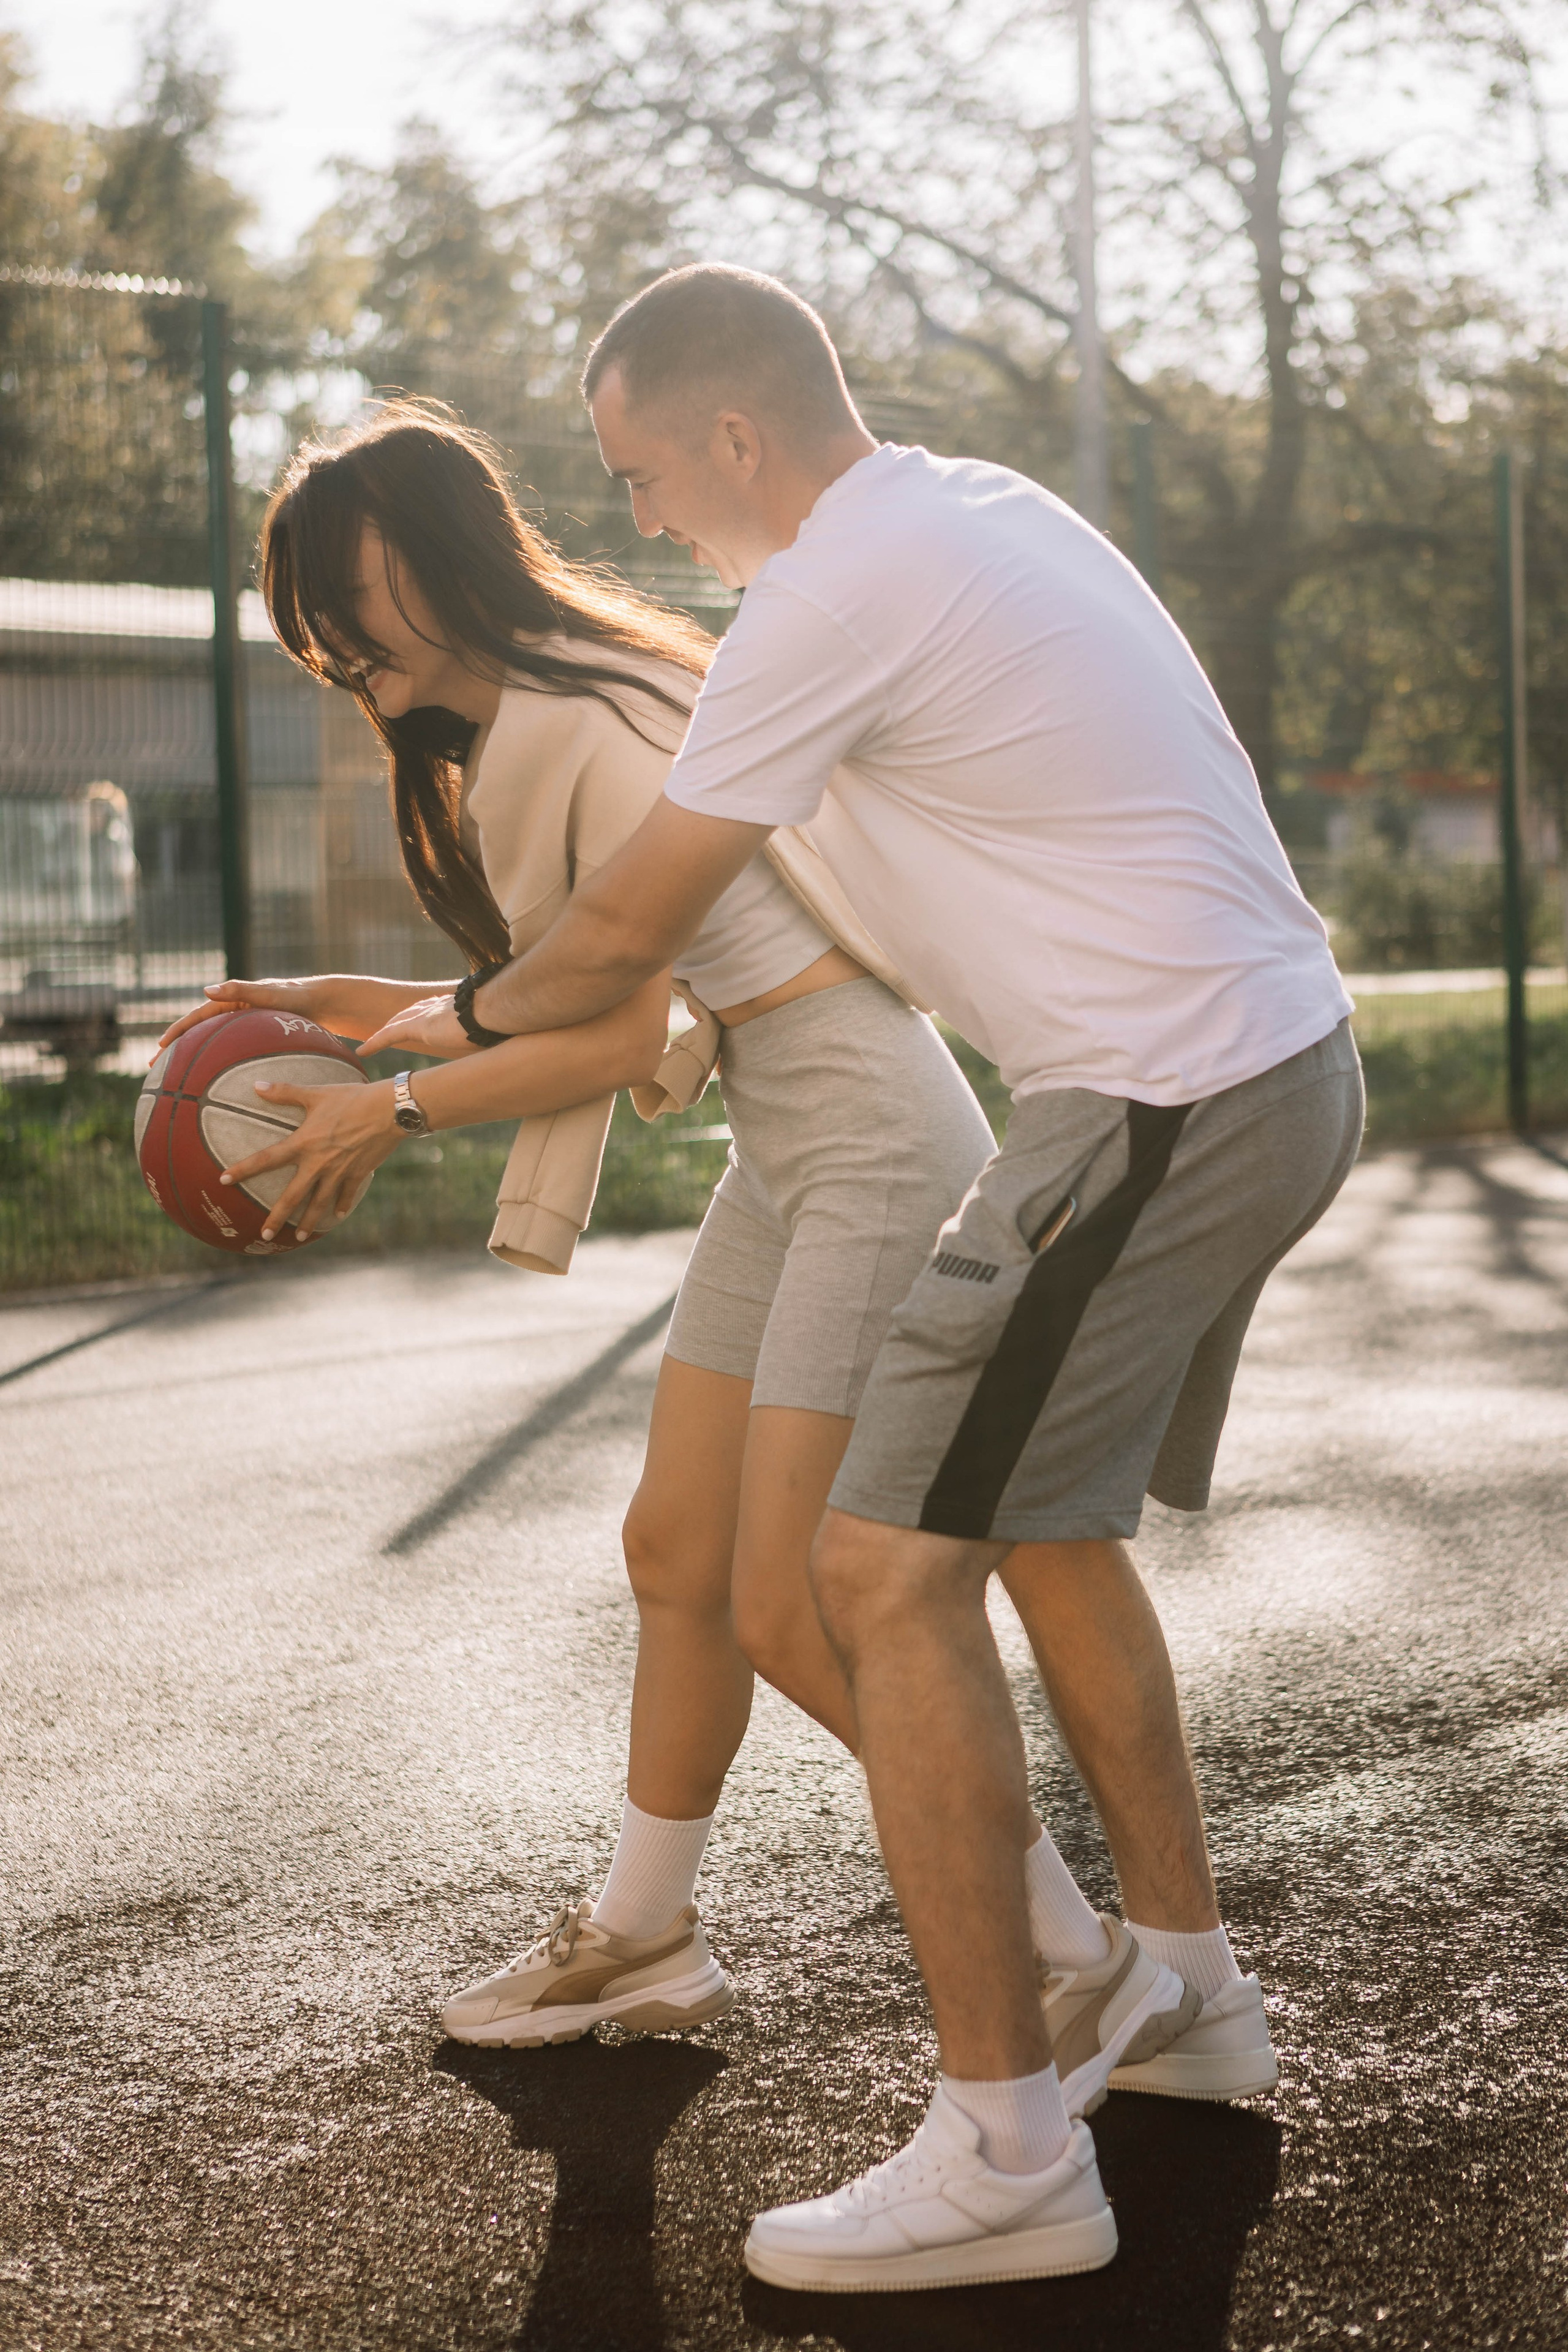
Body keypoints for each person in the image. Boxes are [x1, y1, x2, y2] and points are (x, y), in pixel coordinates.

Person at [368, 266, 1365, 2294]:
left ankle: (1008, 2153)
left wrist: (417, 1036)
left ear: (737, 439)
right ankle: (1187, 1994)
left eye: (648, 471)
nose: (643, 517)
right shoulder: (977, 507)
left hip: (1162, 1095)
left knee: (877, 1567)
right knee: (1045, 1541)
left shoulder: (829, 594)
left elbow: (619, 935)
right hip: (1245, 1067)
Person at [157, 404, 1196, 2114]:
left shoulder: (565, 711)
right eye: (307, 616)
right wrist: (358, 1021)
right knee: (676, 1552)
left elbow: (598, 1029)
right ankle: (643, 1931)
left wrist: (387, 1112)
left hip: (864, 1130)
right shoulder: (563, 694)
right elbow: (574, 989)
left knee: (794, 1602)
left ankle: (1087, 1962)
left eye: (348, 593)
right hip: (791, 1133)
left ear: (443, 555)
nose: (333, 642)